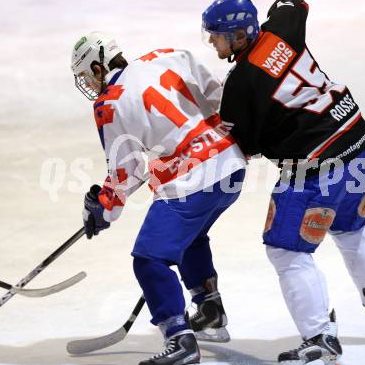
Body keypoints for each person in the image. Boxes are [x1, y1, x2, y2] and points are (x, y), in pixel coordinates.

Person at [201, 0, 365, 364]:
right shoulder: (282, 29)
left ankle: (320, 336)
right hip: (358, 140)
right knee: (350, 227)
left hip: (316, 167)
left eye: (218, 35)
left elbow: (245, 146)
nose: (212, 41)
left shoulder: (242, 83)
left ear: (239, 36)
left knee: (286, 250)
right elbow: (293, 2)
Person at [71, 31, 246, 365]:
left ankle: (179, 339)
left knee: (149, 258)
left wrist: (103, 209)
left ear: (98, 65)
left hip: (194, 181)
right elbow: (221, 96)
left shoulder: (108, 103)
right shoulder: (167, 55)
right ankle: (209, 310)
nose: (88, 83)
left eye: (85, 74)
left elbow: (128, 169)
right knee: (191, 236)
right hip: (232, 168)